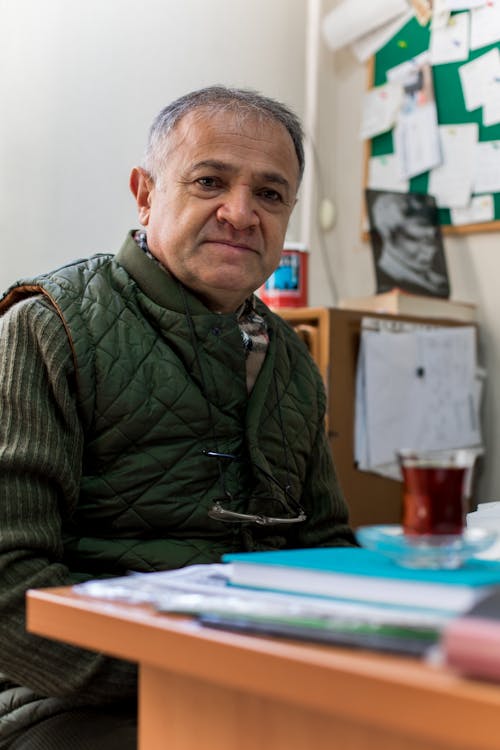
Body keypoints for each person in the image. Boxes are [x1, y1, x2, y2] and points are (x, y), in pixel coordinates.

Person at [0, 85, 356, 749]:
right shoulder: (46, 330)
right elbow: (7, 587)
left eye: (271, 194)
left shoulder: (293, 364)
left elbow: (326, 547)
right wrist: (204, 669)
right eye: (210, 181)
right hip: (62, 704)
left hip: (261, 682)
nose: (241, 212)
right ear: (145, 192)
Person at [367, 190, 450, 297]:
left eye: (431, 240)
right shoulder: (390, 280)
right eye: (414, 239)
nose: (430, 250)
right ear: (387, 234)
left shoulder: (438, 282)